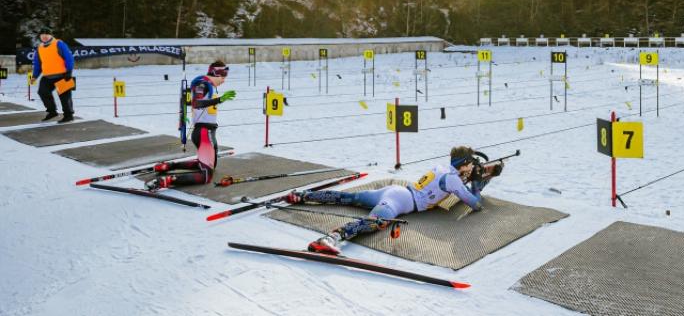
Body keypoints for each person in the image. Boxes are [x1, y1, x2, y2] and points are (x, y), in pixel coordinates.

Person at [284, 145, 504, 255]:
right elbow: (475, 204)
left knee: (349, 197)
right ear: (464, 163)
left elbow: (449, 184)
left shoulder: (443, 169)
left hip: (396, 191)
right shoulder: (454, 180)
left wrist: (476, 176)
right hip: (398, 203)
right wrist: (478, 183)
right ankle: (330, 238)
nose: (473, 165)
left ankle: (302, 196)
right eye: (471, 162)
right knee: (375, 223)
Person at [146, 61, 236, 190]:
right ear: (215, 73)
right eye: (223, 77)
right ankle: (168, 180)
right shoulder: (202, 84)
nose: (224, 80)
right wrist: (220, 99)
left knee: (209, 165)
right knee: (205, 176)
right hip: (204, 132)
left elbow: (191, 101)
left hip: (209, 132)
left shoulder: (208, 85)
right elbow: (196, 103)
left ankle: (169, 166)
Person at [32, 27, 75, 123]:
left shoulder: (59, 44)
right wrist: (35, 76)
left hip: (62, 75)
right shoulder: (39, 48)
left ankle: (68, 115)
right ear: (40, 37)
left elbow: (69, 58)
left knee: (64, 97)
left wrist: (69, 71)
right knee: (42, 92)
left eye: (47, 35)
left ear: (51, 35)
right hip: (47, 76)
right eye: (42, 35)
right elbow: (37, 63)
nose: (45, 37)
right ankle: (52, 112)